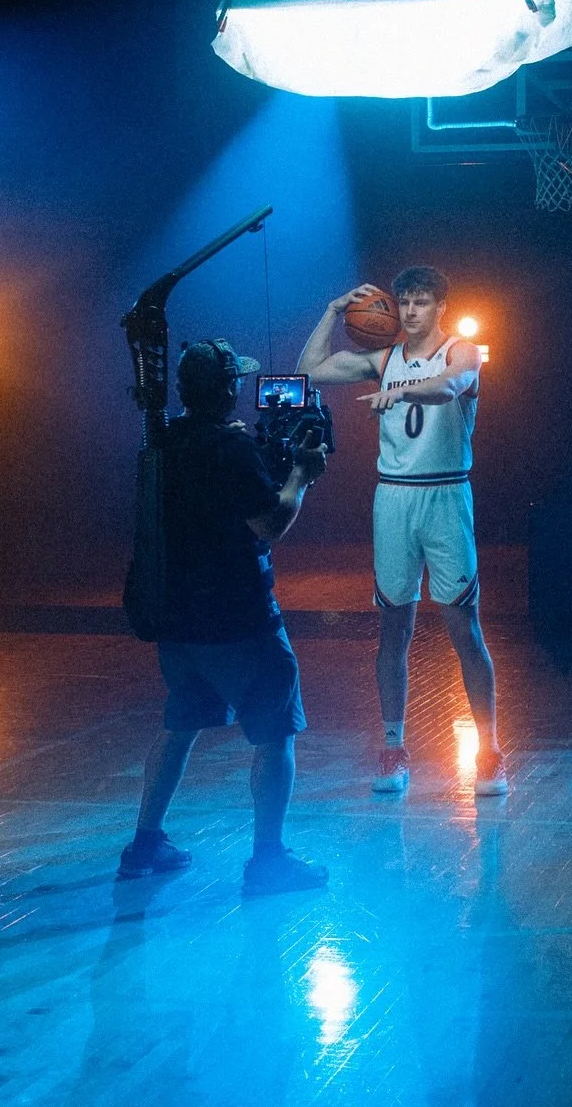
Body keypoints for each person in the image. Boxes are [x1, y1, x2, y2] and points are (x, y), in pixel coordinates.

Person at [118, 338, 329, 894]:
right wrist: (301, 474)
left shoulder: (161, 443)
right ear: (231, 389)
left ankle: (144, 844)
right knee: (275, 734)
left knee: (181, 724)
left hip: (177, 622)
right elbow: (270, 525)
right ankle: (268, 861)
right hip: (238, 620)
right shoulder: (230, 451)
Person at [297, 266, 507, 798]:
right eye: (404, 303)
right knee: (394, 628)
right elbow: (310, 368)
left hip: (444, 495)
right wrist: (332, 311)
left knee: (464, 627)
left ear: (440, 307)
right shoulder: (382, 357)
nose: (411, 312)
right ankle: (393, 746)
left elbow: (449, 386)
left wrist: (403, 393)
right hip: (393, 497)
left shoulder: (463, 351)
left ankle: (489, 749)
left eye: (421, 303)